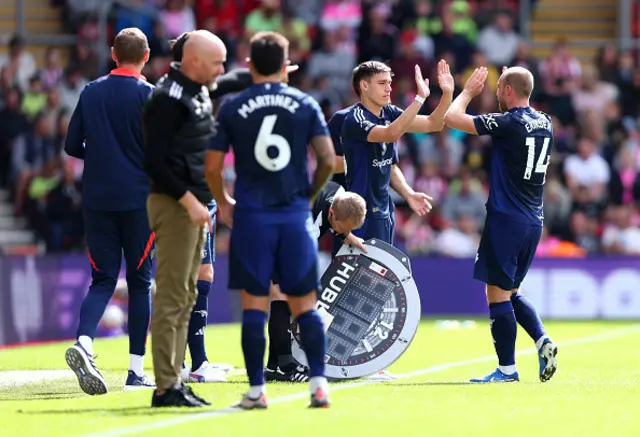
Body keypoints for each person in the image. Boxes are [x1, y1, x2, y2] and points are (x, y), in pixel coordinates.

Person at [206, 31, 336, 409]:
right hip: (294, 217)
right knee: (304, 306)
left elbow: (212, 165)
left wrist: (224, 201)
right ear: (285, 65)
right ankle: (318, 386)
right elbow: (327, 159)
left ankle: (256, 391)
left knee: (254, 306)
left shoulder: (232, 106)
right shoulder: (305, 103)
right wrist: (307, 197)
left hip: (252, 217)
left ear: (248, 65)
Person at [337, 59, 455, 380]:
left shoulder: (390, 113)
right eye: (382, 83)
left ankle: (367, 361)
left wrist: (446, 93)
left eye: (390, 82)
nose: (390, 88)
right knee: (359, 286)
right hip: (358, 212)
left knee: (376, 288)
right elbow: (391, 133)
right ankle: (352, 358)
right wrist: (418, 98)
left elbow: (433, 124)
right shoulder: (354, 119)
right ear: (363, 85)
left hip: (384, 209)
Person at [443, 65, 558, 383]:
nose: (495, 94)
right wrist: (512, 82)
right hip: (534, 220)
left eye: (499, 90)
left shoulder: (509, 122)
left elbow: (451, 119)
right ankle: (542, 340)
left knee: (496, 295)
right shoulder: (545, 122)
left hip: (506, 219)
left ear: (508, 90)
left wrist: (467, 92)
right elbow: (520, 99)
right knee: (510, 292)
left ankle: (507, 369)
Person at [64, 28, 156, 395]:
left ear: (113, 54)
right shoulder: (150, 95)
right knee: (139, 282)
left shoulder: (91, 91)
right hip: (138, 202)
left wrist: (102, 157)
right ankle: (135, 372)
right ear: (146, 56)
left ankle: (84, 342)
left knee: (102, 280)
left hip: (98, 199)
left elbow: (72, 144)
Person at [143, 30, 226, 408]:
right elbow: (155, 163)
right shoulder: (168, 99)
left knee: (187, 294)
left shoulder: (194, 88)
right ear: (193, 62)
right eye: (216, 63)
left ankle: (175, 379)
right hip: (176, 205)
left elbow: (234, 80)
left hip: (193, 205)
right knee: (173, 296)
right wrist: (189, 200)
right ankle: (165, 387)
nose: (222, 70)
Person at [265, 181, 367, 382]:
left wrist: (349, 236)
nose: (343, 233)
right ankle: (286, 366)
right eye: (341, 228)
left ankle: (273, 367)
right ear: (331, 214)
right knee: (281, 297)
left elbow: (337, 223)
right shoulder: (306, 223)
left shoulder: (339, 193)